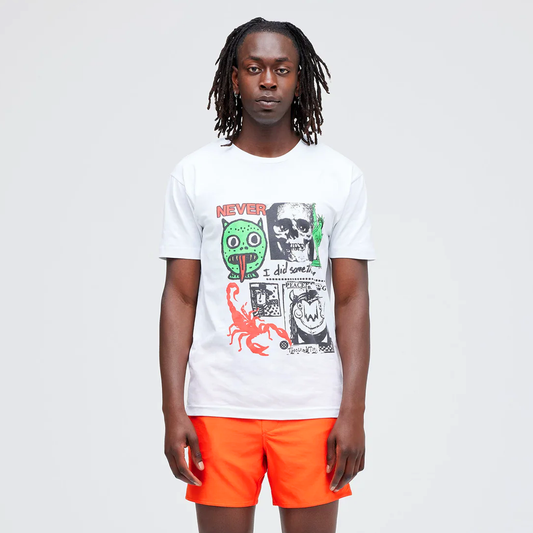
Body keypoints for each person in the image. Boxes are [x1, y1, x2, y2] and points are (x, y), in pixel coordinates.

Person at [159, 17, 377, 533]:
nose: (268, 82)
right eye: (254, 68)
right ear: (234, 78)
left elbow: (351, 300)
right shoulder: (195, 174)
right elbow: (179, 297)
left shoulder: (339, 176)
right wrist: (173, 410)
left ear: (300, 79)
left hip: (312, 406)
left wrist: (353, 410)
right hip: (218, 404)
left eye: (282, 69)